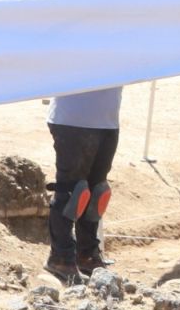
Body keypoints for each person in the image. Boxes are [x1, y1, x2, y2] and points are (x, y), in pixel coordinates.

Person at [46, 87, 123, 280]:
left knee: (98, 192)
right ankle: (60, 257)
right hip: (73, 119)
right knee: (72, 192)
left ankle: (87, 254)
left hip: (108, 120)